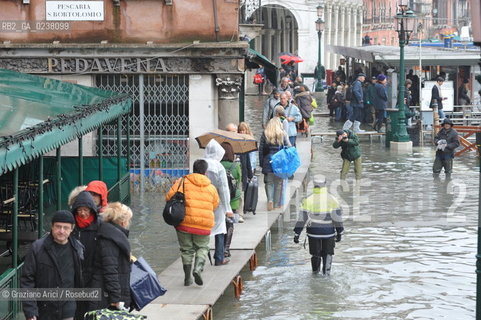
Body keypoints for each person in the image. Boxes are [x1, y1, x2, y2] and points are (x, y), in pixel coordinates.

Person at [21, 211, 84, 320]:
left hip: (68, 309)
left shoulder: (77, 249)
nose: (61, 231)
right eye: (58, 227)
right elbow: (27, 280)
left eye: (66, 228)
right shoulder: (37, 248)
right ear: (52, 227)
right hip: (44, 309)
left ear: (72, 229)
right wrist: (30, 311)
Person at [166, 159, 219, 286]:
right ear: (205, 172)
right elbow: (215, 205)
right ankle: (198, 268)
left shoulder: (182, 182)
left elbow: (168, 197)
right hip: (203, 224)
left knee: (186, 250)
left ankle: (187, 278)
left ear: (193, 169)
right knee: (202, 247)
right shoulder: (211, 188)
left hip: (184, 223)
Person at [294, 175, 344, 275]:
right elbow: (337, 219)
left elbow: (302, 219)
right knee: (328, 254)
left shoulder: (308, 199)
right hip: (329, 233)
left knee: (315, 254)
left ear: (314, 185)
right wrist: (339, 232)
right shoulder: (332, 199)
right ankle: (326, 274)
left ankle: (315, 273)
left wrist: (297, 234)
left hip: (313, 232)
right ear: (325, 184)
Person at [88, 202, 133, 311]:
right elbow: (110, 270)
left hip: (107, 293)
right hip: (106, 297)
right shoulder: (110, 239)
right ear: (123, 221)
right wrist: (115, 298)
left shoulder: (110, 234)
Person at [203, 139, 234, 266]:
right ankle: (219, 257)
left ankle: (201, 258)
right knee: (220, 229)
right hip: (218, 201)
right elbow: (224, 189)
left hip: (203, 200)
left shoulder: (201, 163)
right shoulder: (218, 166)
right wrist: (228, 209)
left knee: (203, 228)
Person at [70, 191, 100, 319]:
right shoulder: (70, 227)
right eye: (79, 210)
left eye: (86, 210)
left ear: (92, 210)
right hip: (74, 277)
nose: (82, 213)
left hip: (93, 275)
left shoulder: (100, 226)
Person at [259, 118, 290, 211]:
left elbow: (261, 149)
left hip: (268, 160)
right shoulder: (282, 134)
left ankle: (270, 200)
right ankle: (276, 204)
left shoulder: (265, 134)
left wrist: (261, 162)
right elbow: (288, 147)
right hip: (279, 161)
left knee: (268, 182)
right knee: (279, 183)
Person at [220, 142, 241, 257]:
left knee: (221, 222)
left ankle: (220, 247)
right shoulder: (236, 166)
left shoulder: (218, 165)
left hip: (220, 198)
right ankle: (226, 249)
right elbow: (239, 181)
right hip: (233, 198)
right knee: (230, 224)